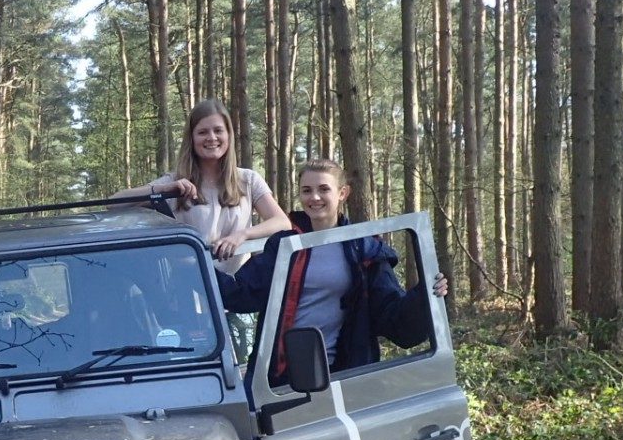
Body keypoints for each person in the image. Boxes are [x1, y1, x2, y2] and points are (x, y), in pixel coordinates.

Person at [215, 160, 448, 380]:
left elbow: (394, 319)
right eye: (306, 190)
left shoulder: (365, 249)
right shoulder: (284, 246)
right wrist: (195, 269)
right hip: (279, 378)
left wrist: (425, 294)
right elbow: (243, 294)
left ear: (342, 193)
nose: (314, 197)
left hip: (344, 375)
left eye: (323, 189)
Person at [111, 99, 289, 273]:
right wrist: (163, 190)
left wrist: (242, 235)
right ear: (192, 138)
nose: (212, 138)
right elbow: (114, 204)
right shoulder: (175, 182)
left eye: (218, 130)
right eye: (203, 132)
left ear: (228, 135)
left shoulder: (248, 180)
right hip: (188, 288)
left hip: (237, 292)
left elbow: (282, 223)